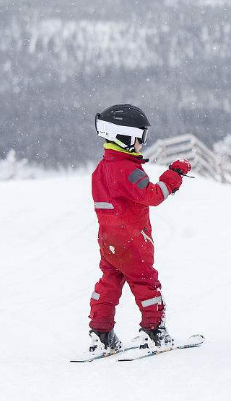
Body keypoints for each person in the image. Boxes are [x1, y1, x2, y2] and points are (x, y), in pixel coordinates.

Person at [87, 104, 191, 355]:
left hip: (108, 238)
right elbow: (153, 196)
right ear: (123, 137)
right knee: (145, 281)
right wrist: (174, 174)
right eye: (140, 137)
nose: (142, 143)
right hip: (132, 238)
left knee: (110, 280)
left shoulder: (102, 168)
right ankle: (153, 331)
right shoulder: (128, 169)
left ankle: (101, 333)